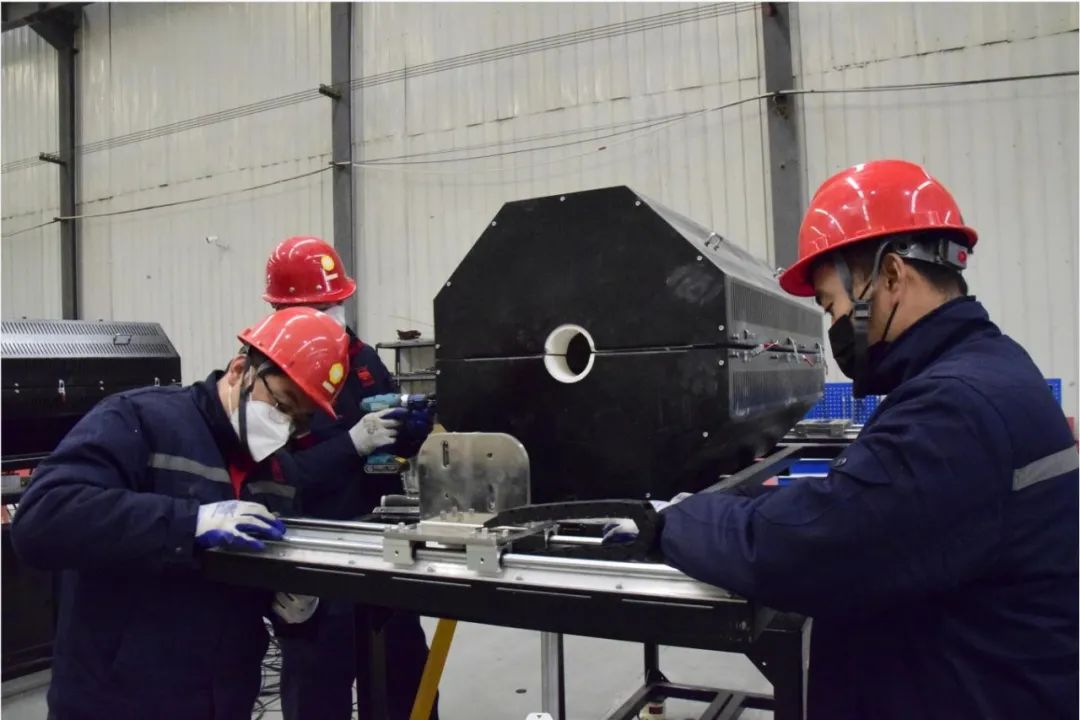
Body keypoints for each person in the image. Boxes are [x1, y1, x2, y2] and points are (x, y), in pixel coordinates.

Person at [656, 160, 1078, 718]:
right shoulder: (990, 368)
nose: (835, 326)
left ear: (892, 276)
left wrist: (673, 520)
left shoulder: (954, 408)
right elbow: (876, 504)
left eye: (832, 305)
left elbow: (808, 551)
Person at [12, 307, 352, 720]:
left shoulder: (278, 474)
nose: (283, 426)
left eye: (298, 421)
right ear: (240, 370)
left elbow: (260, 593)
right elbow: (43, 517)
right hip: (114, 703)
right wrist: (191, 523)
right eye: (281, 404)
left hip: (221, 704)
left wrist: (297, 614)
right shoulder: (140, 420)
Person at [261, 235, 436, 720]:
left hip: (384, 544)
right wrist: (351, 444)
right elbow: (277, 478)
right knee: (318, 688)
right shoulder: (267, 378)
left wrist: (410, 433)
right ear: (281, 311)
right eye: (318, 307)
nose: (330, 315)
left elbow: (394, 440)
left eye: (334, 304)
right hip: (316, 552)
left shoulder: (361, 358)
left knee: (404, 675)